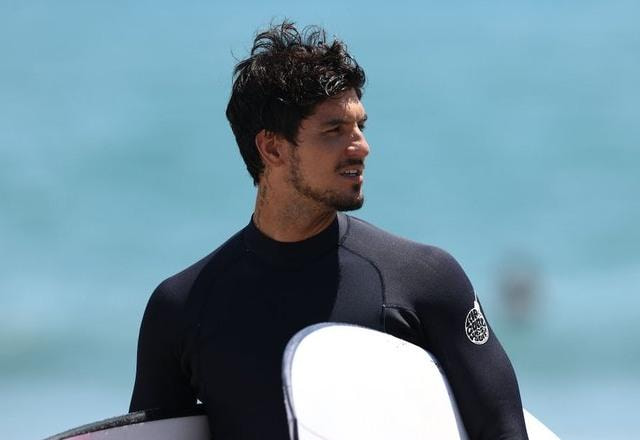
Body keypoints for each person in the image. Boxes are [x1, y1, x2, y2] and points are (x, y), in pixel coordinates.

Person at [129, 21, 529, 440]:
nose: (361, 145)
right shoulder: (181, 309)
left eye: (360, 126)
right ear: (273, 148)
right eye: (334, 130)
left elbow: (504, 430)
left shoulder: (425, 280)